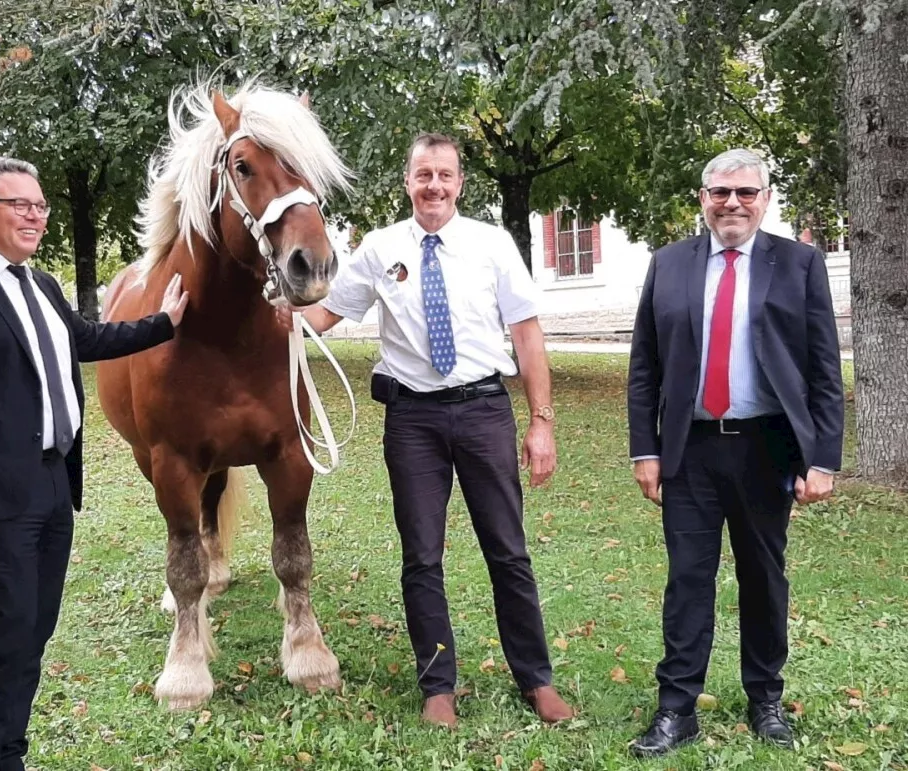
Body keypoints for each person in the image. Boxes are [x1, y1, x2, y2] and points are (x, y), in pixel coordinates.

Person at [0, 157, 189, 771]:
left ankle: (10, 757)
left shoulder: (40, 283)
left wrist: (165, 323)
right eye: (18, 205)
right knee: (8, 635)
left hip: (54, 484)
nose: (35, 216)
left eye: (40, 206)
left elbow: (86, 341)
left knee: (34, 632)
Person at [290, 133, 573, 728]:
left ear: (460, 182)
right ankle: (437, 684)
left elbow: (526, 333)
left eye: (445, 175)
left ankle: (537, 679)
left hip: (483, 411)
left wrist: (540, 423)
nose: (434, 186)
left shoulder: (492, 244)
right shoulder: (380, 248)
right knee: (422, 557)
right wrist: (275, 308)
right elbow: (324, 315)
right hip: (413, 419)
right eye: (424, 175)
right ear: (408, 181)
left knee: (509, 551)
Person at [626, 148, 843, 757]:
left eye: (746, 193)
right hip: (689, 452)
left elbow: (824, 367)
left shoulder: (799, 264)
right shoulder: (669, 264)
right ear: (703, 198)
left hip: (766, 449)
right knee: (687, 581)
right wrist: (645, 449)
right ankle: (677, 710)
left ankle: (765, 701)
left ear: (765, 200)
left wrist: (821, 458)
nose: (733, 204)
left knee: (763, 579)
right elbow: (644, 365)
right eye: (721, 192)